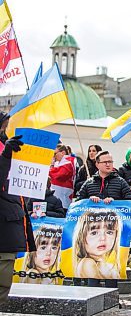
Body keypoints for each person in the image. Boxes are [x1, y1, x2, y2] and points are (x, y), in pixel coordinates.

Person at [76, 150, 131, 288]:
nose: (109, 164)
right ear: (97, 164)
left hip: (111, 233)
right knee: (92, 272)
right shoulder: (89, 183)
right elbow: (77, 203)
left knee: (111, 269)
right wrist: (88, 200)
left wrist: (115, 202)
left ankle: (111, 300)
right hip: (93, 234)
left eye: (111, 161)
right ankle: (92, 299)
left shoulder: (120, 182)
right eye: (105, 162)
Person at [0, 111, 35, 304]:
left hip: (9, 223)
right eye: (4, 126)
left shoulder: (8, 147)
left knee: (4, 282)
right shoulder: (5, 151)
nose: (5, 130)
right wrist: (6, 156)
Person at [73, 210, 121, 280]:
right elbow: (102, 289)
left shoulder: (106, 265)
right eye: (94, 233)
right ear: (81, 237)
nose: (103, 238)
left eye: (109, 232)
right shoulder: (87, 263)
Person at [49, 144, 77, 210]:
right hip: (56, 194)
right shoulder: (58, 162)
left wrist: (49, 169)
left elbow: (59, 175)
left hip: (64, 196)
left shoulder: (69, 161)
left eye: (55, 153)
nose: (54, 156)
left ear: (63, 153)